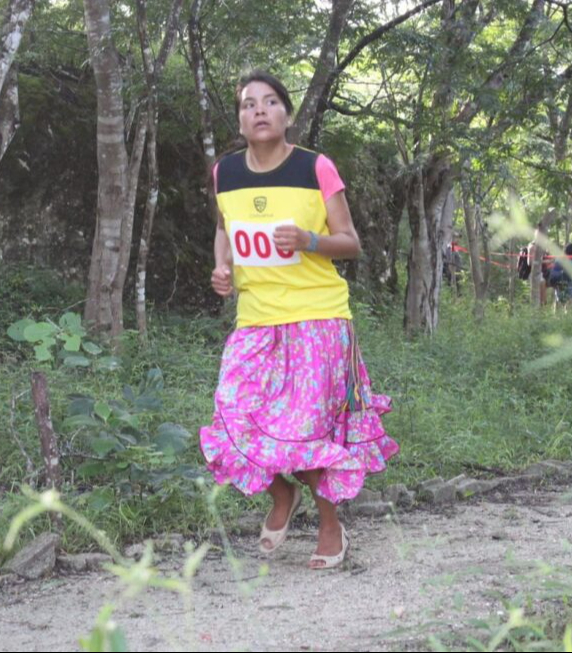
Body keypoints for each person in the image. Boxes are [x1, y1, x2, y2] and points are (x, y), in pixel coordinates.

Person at [199, 71, 398, 570]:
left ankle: (331, 527)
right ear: (241, 118)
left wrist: (309, 240)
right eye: (248, 104)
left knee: (307, 433)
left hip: (318, 319)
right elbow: (226, 228)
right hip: (255, 322)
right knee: (233, 417)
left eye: (269, 102)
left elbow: (350, 242)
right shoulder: (225, 172)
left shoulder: (316, 167)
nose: (259, 110)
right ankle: (281, 495)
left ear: (287, 113)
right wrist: (222, 266)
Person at [551, 243, 572, 312]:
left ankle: (556, 315)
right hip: (570, 282)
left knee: (558, 299)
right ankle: (566, 312)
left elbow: (554, 270)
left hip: (559, 281)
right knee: (571, 298)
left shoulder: (558, 260)